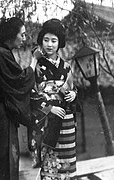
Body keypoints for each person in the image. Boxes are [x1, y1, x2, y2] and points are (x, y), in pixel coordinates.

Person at [0, 17, 37, 180]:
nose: (24, 38)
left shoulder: (3, 53)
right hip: (1, 113)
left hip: (4, 113)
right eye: (23, 34)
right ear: (12, 35)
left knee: (7, 157)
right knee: (4, 158)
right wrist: (34, 62)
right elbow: (19, 81)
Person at [29, 19, 77, 180]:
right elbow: (32, 93)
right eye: (46, 40)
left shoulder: (66, 66)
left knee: (67, 162)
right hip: (47, 119)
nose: (49, 44)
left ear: (60, 43)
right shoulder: (36, 66)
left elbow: (73, 88)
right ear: (41, 41)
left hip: (66, 118)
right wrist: (49, 108)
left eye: (54, 40)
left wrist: (73, 94)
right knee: (50, 165)